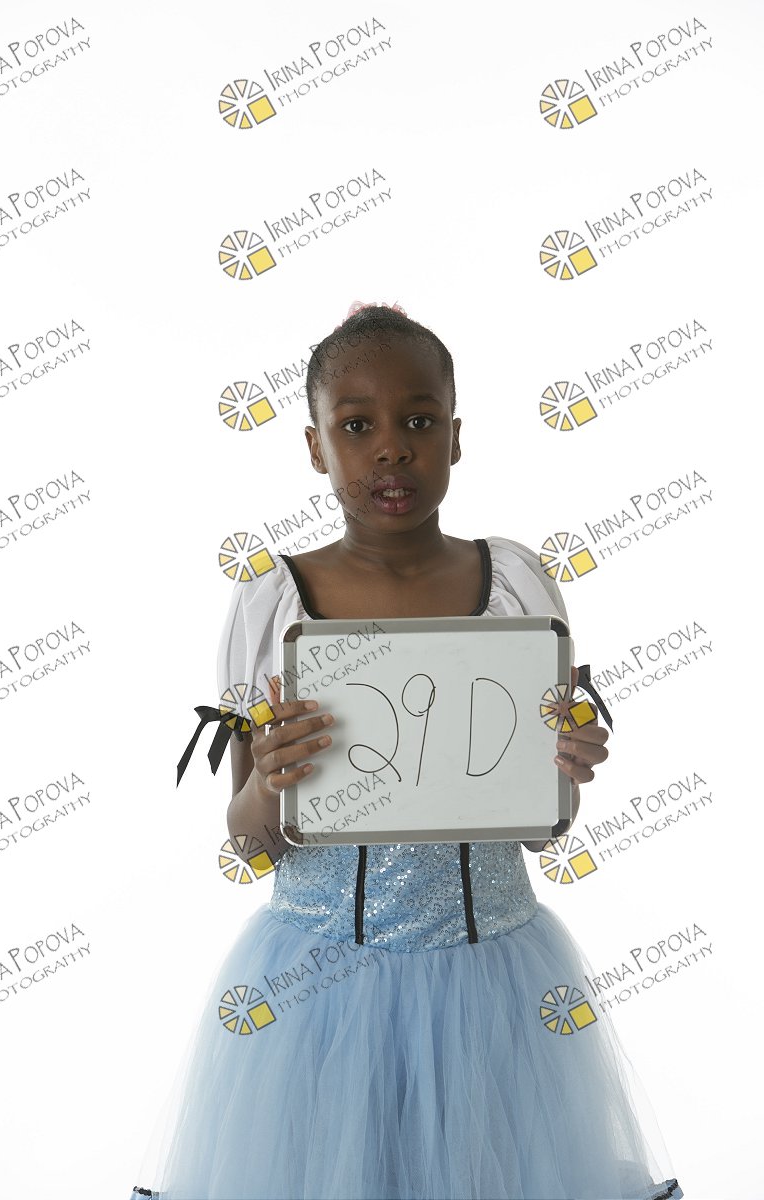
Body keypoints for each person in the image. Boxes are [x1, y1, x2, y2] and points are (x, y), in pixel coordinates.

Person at [128, 302, 684, 1200]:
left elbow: (542, 827)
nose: (391, 449)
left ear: (456, 436)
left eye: (419, 421)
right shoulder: (275, 600)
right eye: (357, 426)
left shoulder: (514, 583)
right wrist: (268, 782)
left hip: (491, 978)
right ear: (315, 447)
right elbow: (249, 844)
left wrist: (565, 767)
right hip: (318, 983)